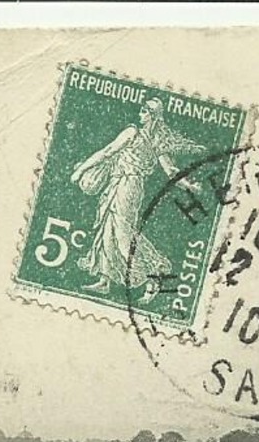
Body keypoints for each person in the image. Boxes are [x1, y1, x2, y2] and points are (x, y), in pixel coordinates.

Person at [70, 97, 205, 299]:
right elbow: (171, 171)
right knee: (108, 229)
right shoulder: (156, 141)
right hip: (125, 185)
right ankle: (105, 279)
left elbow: (107, 152)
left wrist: (81, 170)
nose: (140, 114)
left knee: (124, 235)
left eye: (144, 111)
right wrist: (190, 186)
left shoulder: (133, 133)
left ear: (152, 116)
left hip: (127, 186)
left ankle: (155, 272)